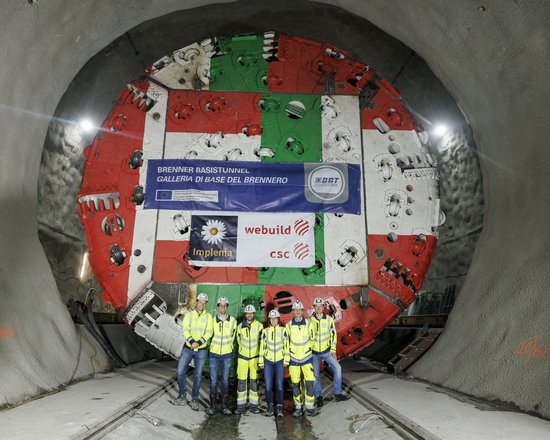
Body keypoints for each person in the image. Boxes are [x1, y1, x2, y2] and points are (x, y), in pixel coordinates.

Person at [173, 292, 213, 411]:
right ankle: (182, 395)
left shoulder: (208, 317)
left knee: (198, 375)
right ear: (196, 302)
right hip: (188, 348)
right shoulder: (189, 315)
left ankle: (194, 399)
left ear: (205, 304)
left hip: (201, 350)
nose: (201, 304)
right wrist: (192, 342)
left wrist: (198, 343)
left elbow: (209, 332)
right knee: (180, 372)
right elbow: (185, 329)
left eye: (203, 302)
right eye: (200, 301)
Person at [311, 297, 350, 407]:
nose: (318, 308)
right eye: (316, 306)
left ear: (323, 307)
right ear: (314, 307)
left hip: (326, 352)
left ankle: (337, 394)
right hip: (314, 353)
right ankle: (318, 397)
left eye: (320, 306)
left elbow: (333, 336)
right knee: (315, 375)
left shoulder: (329, 320)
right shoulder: (309, 321)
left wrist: (333, 350)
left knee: (338, 368)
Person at [286, 300, 318, 418]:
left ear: (302, 311)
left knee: (309, 383)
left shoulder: (309, 324)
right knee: (295, 384)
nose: (298, 312)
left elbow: (313, 338)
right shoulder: (288, 326)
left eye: (300, 310)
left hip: (306, 358)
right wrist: (290, 354)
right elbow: (286, 342)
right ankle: (298, 407)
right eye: (296, 310)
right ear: (293, 312)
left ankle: (310, 408)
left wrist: (308, 350)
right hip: (294, 359)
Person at [207, 296, 237, 416]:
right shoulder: (213, 320)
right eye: (221, 305)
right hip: (214, 354)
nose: (223, 307)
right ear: (218, 307)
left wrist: (228, 349)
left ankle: (225, 406)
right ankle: (212, 406)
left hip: (227, 355)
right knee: (213, 381)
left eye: (225, 305)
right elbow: (209, 335)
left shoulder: (233, 321)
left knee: (225, 381)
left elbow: (233, 337)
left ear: (227, 307)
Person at [259, 308, 289, 418]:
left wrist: (286, 360)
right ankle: (270, 408)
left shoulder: (283, 331)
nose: (273, 321)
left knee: (280, 386)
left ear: (278, 319)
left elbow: (286, 346)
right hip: (268, 362)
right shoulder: (265, 332)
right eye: (271, 319)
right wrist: (261, 362)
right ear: (269, 320)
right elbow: (262, 347)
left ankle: (280, 408)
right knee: (268, 386)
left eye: (275, 319)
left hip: (280, 361)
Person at [235, 304, 263, 414]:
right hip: (242, 358)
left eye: (251, 313)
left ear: (254, 314)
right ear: (245, 314)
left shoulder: (259, 326)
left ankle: (254, 405)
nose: (249, 315)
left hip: (254, 359)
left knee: (254, 382)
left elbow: (262, 343)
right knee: (241, 382)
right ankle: (240, 406)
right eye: (247, 313)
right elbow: (238, 340)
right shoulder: (240, 327)